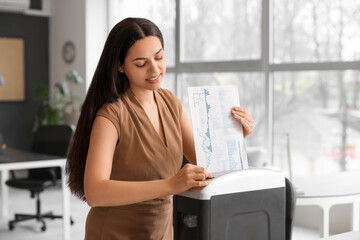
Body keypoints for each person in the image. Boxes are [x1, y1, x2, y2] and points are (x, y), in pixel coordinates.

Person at [66, 17, 254, 240]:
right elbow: (95, 193)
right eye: (141, 63)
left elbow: (205, 163)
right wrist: (170, 185)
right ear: (120, 65)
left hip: (161, 232)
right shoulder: (111, 116)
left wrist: (235, 135)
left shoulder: (171, 104)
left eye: (159, 57)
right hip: (113, 233)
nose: (154, 69)